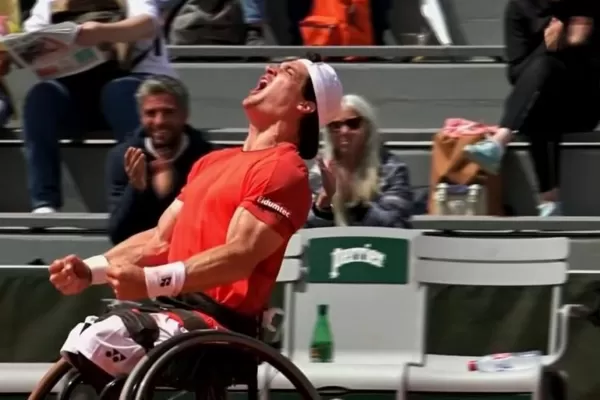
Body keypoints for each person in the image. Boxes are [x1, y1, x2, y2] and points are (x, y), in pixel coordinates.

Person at [45, 54, 343, 393]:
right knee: (82, 342)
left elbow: (239, 256)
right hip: (173, 313)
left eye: (286, 71)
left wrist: (149, 281)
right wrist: (91, 270)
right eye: (273, 66)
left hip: (218, 329)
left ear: (307, 105)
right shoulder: (212, 161)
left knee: (101, 339)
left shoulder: (285, 171)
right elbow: (159, 240)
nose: (270, 69)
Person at [5, 0, 176, 214]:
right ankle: (44, 202)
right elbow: (31, 35)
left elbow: (148, 23)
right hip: (76, 93)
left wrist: (102, 32)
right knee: (40, 97)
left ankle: (141, 196)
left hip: (129, 88)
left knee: (118, 91)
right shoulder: (50, 2)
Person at [464, 0, 600, 216]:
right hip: (540, 101)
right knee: (543, 89)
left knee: (545, 78)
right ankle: (551, 203)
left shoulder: (586, 7)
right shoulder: (520, 7)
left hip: (582, 103)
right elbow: (515, 73)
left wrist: (578, 45)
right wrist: (547, 47)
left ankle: (501, 139)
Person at [107, 76, 214, 245]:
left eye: (168, 112)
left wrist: (172, 188)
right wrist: (137, 189)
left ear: (185, 114)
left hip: (192, 256)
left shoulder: (210, 158)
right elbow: (118, 235)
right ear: (140, 116)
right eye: (150, 113)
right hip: (141, 259)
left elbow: (210, 225)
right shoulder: (124, 157)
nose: (159, 121)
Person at [306, 94, 413, 228]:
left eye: (353, 124)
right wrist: (324, 203)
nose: (344, 131)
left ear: (368, 127)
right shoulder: (319, 174)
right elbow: (306, 229)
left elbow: (397, 224)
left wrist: (357, 204)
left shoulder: (392, 169)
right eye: (335, 125)